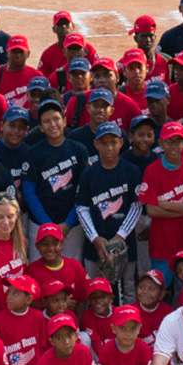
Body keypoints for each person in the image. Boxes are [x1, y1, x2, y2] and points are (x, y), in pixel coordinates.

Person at [75, 122, 142, 301]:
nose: (109, 147)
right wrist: (95, 238)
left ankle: (128, 325)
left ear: (121, 142)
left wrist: (121, 235)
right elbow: (82, 208)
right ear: (96, 144)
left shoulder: (132, 171)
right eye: (103, 143)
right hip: (95, 243)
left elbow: (136, 207)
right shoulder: (89, 173)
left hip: (125, 242)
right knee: (96, 289)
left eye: (113, 142)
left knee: (127, 287)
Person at [21, 99, 89, 261]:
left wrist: (68, 224)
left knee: (70, 271)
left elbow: (83, 191)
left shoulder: (79, 150)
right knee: (40, 271)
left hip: (71, 225)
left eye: (56, 119)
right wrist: (48, 225)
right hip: (40, 223)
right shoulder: (33, 153)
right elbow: (29, 191)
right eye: (46, 121)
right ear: (41, 127)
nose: (52, 124)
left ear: (64, 121)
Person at [138, 121, 183, 284]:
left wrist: (165, 204)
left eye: (178, 141)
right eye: (169, 141)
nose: (174, 146)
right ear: (161, 143)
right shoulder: (152, 170)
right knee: (160, 290)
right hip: (161, 246)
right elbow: (152, 211)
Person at [0, 35, 43, 109]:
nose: (18, 55)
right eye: (14, 52)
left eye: (21, 52)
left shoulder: (37, 76)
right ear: (7, 53)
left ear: (28, 54)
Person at [37, 11, 97, 79]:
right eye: (60, 24)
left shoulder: (89, 48)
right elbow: (42, 79)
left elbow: (98, 71)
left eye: (66, 24)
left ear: (73, 26)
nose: (63, 26)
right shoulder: (48, 54)